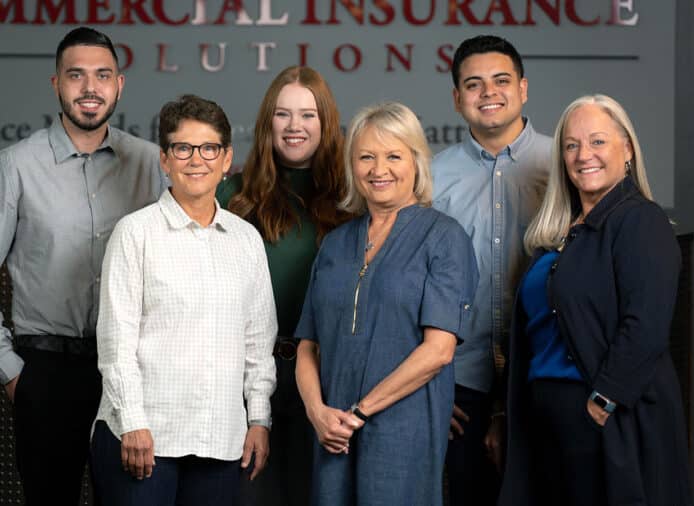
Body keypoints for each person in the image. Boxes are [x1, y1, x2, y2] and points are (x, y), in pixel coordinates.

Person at [498, 94, 692, 506]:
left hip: (599, 414)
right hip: (544, 419)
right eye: (571, 145)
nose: (584, 154)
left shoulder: (641, 220)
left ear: (627, 149)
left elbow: (646, 323)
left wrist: (603, 401)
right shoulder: (558, 234)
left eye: (598, 141)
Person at [0, 27, 165, 506]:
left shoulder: (152, 164)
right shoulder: (15, 166)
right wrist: (12, 372)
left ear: (120, 84)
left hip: (133, 375)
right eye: (76, 76)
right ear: (56, 84)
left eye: (102, 75)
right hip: (44, 374)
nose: (90, 88)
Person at [90, 94, 278, 506]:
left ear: (227, 159)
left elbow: (258, 344)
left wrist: (259, 418)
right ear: (165, 159)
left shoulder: (246, 240)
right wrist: (134, 423)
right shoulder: (134, 233)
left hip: (220, 441)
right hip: (144, 439)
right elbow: (116, 344)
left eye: (209, 148)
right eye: (183, 148)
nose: (197, 160)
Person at [295, 102, 478, 506]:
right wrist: (318, 413)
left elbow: (439, 351)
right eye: (366, 157)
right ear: (351, 165)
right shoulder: (336, 244)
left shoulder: (444, 238)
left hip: (403, 428)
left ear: (416, 161)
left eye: (394, 156)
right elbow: (308, 344)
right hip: (332, 432)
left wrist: (360, 412)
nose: (379, 170)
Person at [216, 65, 350, 506]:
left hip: (329, 383)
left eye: (308, 115)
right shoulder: (231, 197)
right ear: (266, 123)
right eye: (282, 114)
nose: (295, 127)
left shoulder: (354, 200)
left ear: (326, 123)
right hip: (246, 382)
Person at [431, 35, 551, 505]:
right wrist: (431, 389)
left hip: (542, 374)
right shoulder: (431, 176)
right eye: (474, 84)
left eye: (501, 81)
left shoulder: (563, 163)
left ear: (523, 88)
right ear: (458, 98)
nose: (489, 93)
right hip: (461, 384)